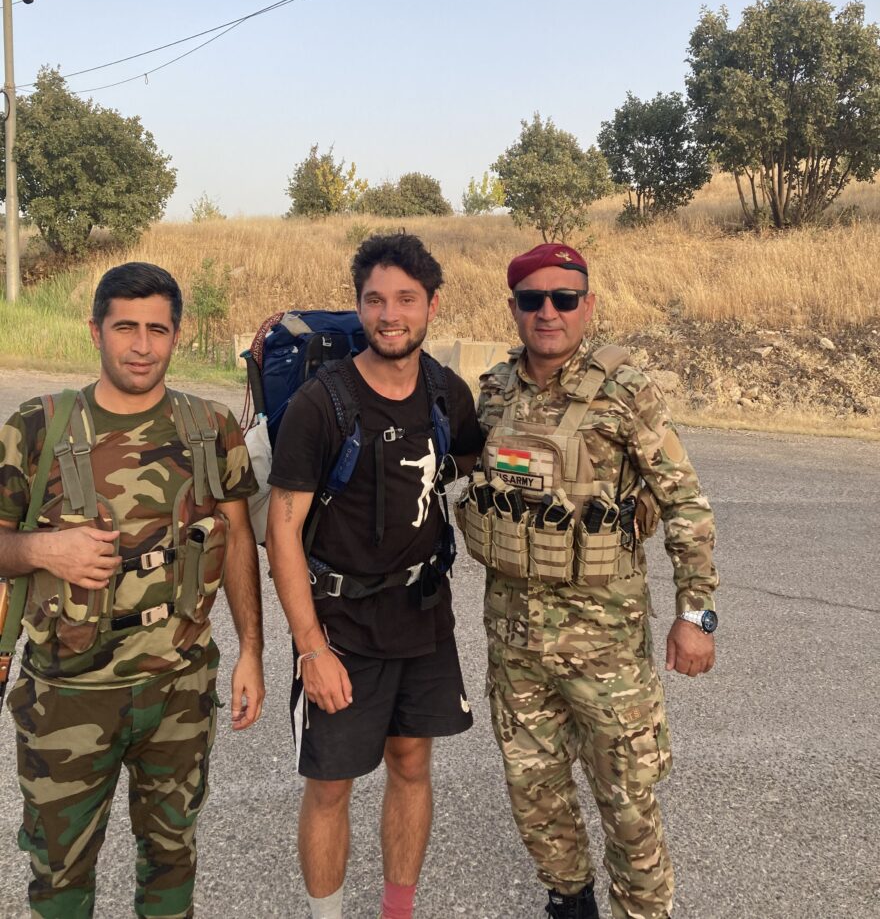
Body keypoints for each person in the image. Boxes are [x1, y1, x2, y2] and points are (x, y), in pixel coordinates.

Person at [0, 262, 265, 919]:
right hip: (65, 697)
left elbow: (236, 537)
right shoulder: (37, 427)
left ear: (177, 335)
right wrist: (41, 549)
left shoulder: (211, 427)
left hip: (179, 690)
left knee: (172, 862)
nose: (142, 345)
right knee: (60, 878)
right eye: (125, 328)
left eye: (157, 329)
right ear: (96, 331)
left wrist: (252, 653)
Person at [465, 242, 718, 919]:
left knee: (628, 803)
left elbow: (686, 503)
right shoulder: (495, 392)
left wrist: (696, 614)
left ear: (588, 305)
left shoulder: (626, 390)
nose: (548, 312)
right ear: (514, 307)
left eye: (564, 298)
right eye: (532, 299)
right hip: (515, 642)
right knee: (534, 794)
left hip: (606, 647)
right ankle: (569, 902)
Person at [266, 232, 482, 919]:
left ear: (432, 306)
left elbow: (474, 460)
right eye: (376, 300)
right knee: (331, 785)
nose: (391, 315)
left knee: (412, 764)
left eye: (406, 299)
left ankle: (397, 911)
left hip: (423, 617)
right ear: (359, 306)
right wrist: (311, 647)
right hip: (341, 627)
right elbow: (281, 531)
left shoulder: (447, 392)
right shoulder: (321, 405)